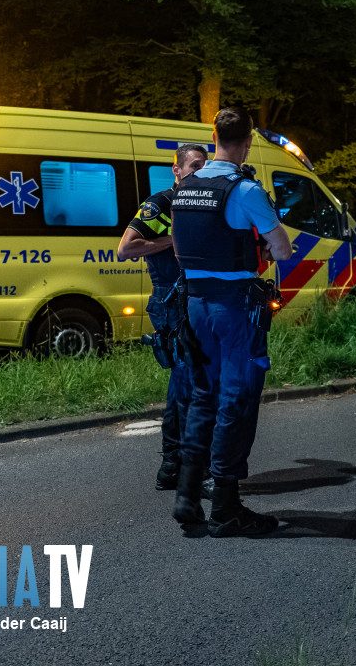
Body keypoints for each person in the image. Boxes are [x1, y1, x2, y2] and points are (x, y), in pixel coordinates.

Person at [169, 107, 293, 538]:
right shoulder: (244, 190)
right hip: (233, 309)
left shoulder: (186, 187)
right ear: (247, 142)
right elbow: (282, 250)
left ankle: (187, 494)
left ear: (214, 136)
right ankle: (225, 506)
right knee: (237, 400)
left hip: (195, 305)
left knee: (203, 396)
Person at [116, 143, 208, 490]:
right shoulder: (162, 203)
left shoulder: (201, 202)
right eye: (193, 166)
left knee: (187, 382)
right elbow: (125, 249)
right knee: (186, 382)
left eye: (204, 166)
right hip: (171, 303)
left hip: (195, 301)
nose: (199, 172)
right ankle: (177, 464)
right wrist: (173, 239)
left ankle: (174, 465)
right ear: (177, 169)